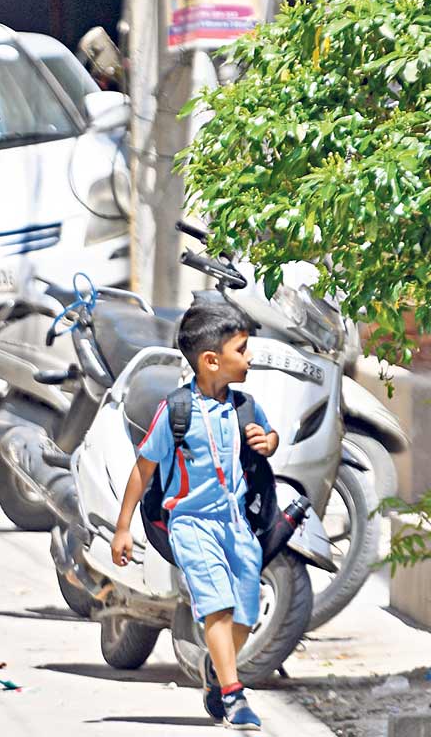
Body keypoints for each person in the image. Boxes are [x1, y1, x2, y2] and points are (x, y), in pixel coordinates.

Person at [111, 302, 279, 731]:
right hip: (192, 523)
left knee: (245, 611)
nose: (250, 358)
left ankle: (214, 671)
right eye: (242, 350)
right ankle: (233, 693)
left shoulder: (244, 406)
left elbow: (268, 436)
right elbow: (143, 468)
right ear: (211, 360)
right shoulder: (176, 411)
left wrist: (269, 440)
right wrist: (123, 527)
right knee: (217, 608)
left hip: (237, 525)